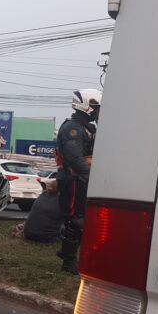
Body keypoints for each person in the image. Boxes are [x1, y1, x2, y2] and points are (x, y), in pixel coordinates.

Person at [55, 89, 101, 274]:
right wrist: (91, 176)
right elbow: (75, 159)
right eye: (96, 107)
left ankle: (72, 254)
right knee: (75, 219)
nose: (98, 111)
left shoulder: (88, 128)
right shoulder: (72, 129)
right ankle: (68, 261)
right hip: (74, 179)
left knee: (84, 219)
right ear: (86, 105)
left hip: (82, 178)